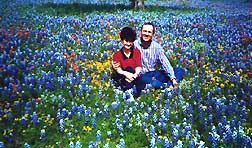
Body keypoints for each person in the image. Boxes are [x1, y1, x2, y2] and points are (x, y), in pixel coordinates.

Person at [113, 22, 185, 89]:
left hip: (154, 73)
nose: (146, 34)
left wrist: (173, 78)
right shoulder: (133, 44)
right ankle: (166, 87)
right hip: (141, 75)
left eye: (149, 32)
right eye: (144, 31)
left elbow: (165, 63)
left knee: (179, 70)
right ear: (140, 32)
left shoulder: (156, 47)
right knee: (150, 82)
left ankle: (169, 85)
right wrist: (114, 64)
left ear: (152, 34)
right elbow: (122, 54)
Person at [111, 26, 145, 99]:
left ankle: (132, 93)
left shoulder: (136, 52)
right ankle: (128, 94)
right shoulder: (117, 54)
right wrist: (127, 74)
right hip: (123, 76)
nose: (128, 44)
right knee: (128, 71)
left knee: (142, 84)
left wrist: (134, 75)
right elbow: (118, 69)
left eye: (131, 41)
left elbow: (138, 66)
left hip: (134, 76)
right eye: (126, 41)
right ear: (122, 41)